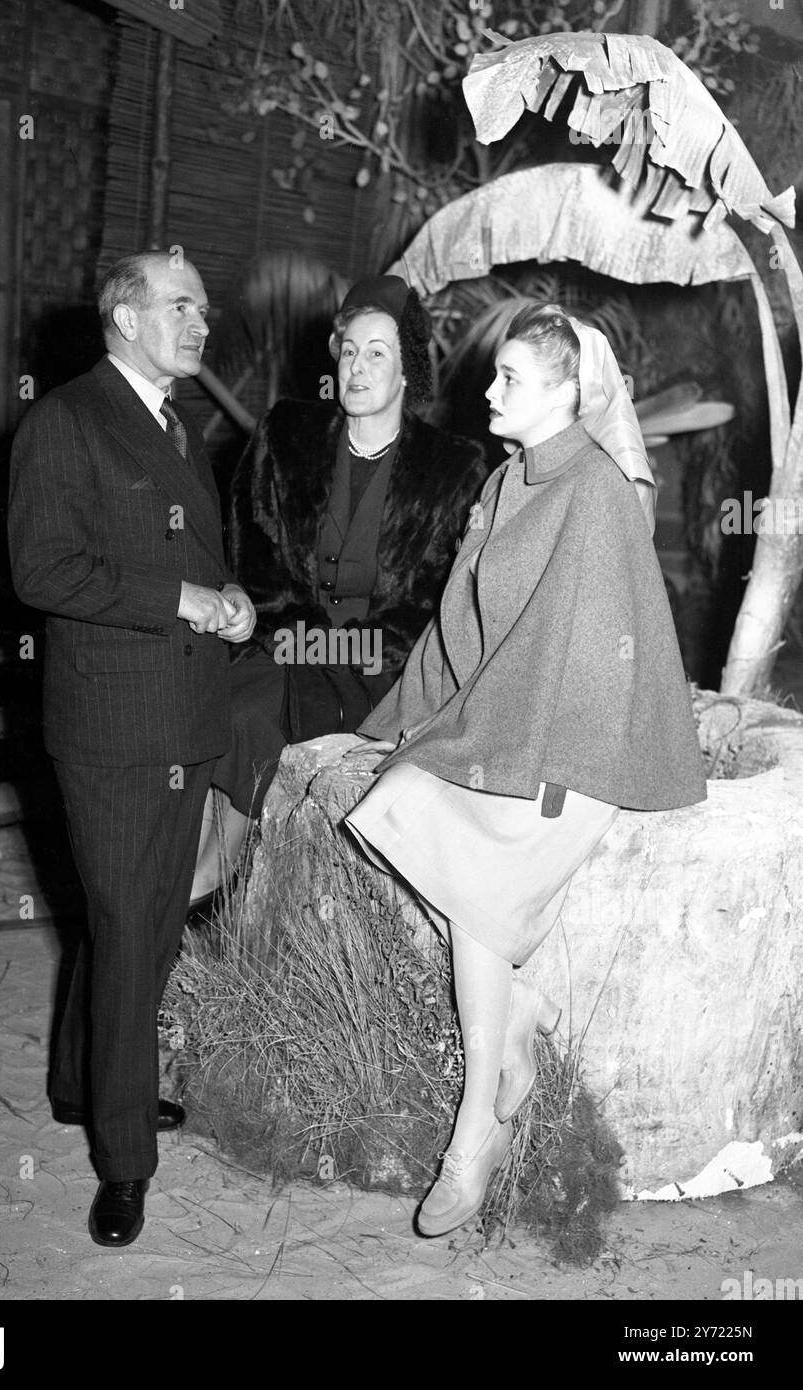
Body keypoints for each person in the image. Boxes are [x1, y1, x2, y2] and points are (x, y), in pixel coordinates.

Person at [344, 302, 706, 1238]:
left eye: (511, 379)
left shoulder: (597, 490)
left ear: (569, 393)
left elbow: (605, 663)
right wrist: (410, 721)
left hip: (577, 756)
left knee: (477, 896)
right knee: (396, 802)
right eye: (495, 374)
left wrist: (521, 759)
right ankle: (517, 1016)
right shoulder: (511, 479)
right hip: (515, 732)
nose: (489, 390)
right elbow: (467, 623)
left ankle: (475, 1132)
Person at [7, 250, 256, 1248]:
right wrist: (184, 599)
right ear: (123, 314)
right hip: (112, 727)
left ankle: (78, 1083)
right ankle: (124, 1161)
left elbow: (182, 554)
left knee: (142, 924)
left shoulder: (172, 422)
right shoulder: (64, 419)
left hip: (183, 716)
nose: (202, 321)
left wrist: (224, 595)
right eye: (181, 304)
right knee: (124, 924)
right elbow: (43, 567)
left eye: (204, 302)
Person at [190, 274, 487, 899]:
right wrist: (288, 635)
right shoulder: (286, 437)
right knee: (234, 713)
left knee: (264, 723)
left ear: (408, 370)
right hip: (279, 646)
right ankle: (194, 897)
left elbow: (436, 605)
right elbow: (252, 560)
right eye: (349, 350)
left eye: (377, 353)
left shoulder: (453, 467)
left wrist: (338, 651)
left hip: (382, 672)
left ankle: (206, 896)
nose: (357, 367)